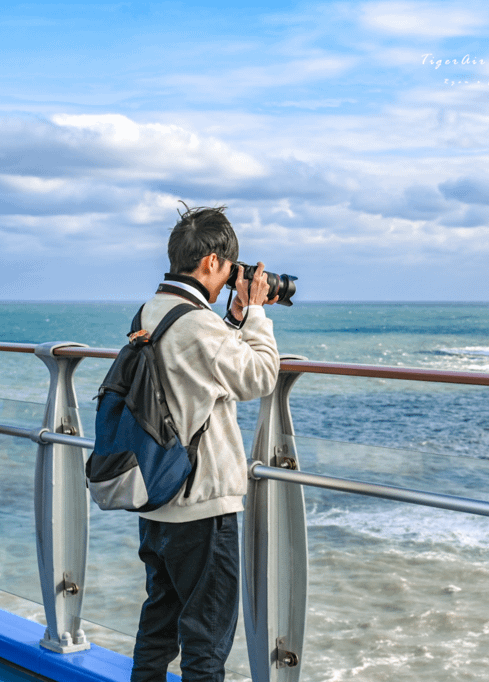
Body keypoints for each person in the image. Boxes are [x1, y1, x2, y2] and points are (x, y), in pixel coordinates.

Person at [130, 204, 280, 682]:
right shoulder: (197, 323)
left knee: (159, 627)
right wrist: (255, 312)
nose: (227, 283)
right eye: (228, 270)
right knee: (206, 644)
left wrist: (233, 322)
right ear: (213, 263)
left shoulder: (153, 310)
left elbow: (200, 374)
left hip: (156, 497)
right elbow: (260, 376)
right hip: (201, 508)